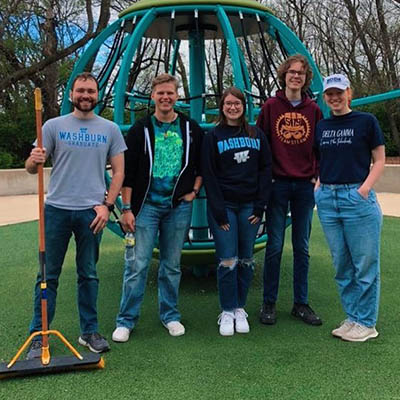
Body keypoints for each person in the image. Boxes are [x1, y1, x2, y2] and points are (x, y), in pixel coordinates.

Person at [25, 72, 126, 357]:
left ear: (97, 94)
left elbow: (119, 171)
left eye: (90, 91)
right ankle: (39, 333)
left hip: (91, 212)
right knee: (47, 275)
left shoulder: (110, 129)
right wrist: (33, 162)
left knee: (89, 274)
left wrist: (107, 205)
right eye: (80, 90)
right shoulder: (53, 126)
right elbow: (32, 168)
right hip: (56, 210)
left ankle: (89, 331)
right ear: (71, 94)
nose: (85, 95)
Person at [112, 73, 203, 342]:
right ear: (152, 96)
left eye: (170, 93)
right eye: (160, 93)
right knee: (137, 264)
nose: (165, 97)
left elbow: (200, 165)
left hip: (177, 207)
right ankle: (126, 320)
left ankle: (170, 315)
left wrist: (194, 192)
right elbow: (128, 173)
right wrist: (126, 208)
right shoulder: (140, 129)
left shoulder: (190, 128)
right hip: (146, 207)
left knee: (171, 265)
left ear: (177, 96)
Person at [314, 74, 385, 342]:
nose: (334, 97)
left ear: (349, 93)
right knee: (341, 264)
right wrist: (319, 186)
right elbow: (320, 160)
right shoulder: (322, 126)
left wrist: (364, 189)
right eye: (329, 94)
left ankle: (367, 323)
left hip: (356, 197)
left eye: (339, 92)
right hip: (328, 200)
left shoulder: (366, 121)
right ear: (324, 97)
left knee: (364, 263)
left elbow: (379, 159)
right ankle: (352, 317)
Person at [257, 54, 323, 326]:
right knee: (273, 245)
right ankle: (269, 302)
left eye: (301, 73)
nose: (296, 76)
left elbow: (321, 146)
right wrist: (266, 178)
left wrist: (316, 175)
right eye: (292, 72)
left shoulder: (314, 110)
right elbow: (260, 143)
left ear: (306, 79)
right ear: (284, 75)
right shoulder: (271, 107)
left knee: (302, 246)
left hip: (304, 186)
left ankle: (301, 302)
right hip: (278, 184)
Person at [202, 87, 272, 336]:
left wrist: (260, 204)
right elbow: (209, 174)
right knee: (227, 259)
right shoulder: (213, 136)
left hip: (250, 206)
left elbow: (265, 170)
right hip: (225, 207)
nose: (233, 107)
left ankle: (240, 307)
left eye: (237, 103)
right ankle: (227, 309)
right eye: (228, 103)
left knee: (246, 259)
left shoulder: (256, 134)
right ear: (222, 106)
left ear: (244, 106)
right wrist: (218, 210)